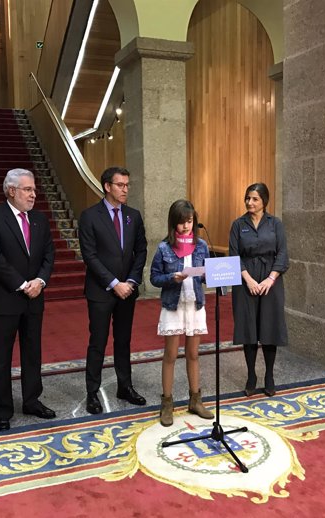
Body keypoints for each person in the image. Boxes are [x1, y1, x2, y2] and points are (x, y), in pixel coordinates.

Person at [0, 168, 56, 432]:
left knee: (32, 353)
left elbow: (48, 254)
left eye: (34, 189)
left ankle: (32, 400)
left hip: (34, 298)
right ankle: (1, 410)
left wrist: (40, 281)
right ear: (11, 190)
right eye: (27, 189)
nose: (34, 194)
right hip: (5, 299)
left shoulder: (40, 220)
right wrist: (23, 285)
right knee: (1, 357)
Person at [78, 166, 148, 414]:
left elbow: (141, 250)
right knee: (98, 342)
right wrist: (113, 283)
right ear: (107, 186)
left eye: (127, 185)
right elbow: (90, 256)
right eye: (120, 185)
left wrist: (130, 281)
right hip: (101, 291)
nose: (125, 189)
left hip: (127, 290)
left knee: (124, 340)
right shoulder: (89, 216)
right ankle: (92, 393)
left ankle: (125, 386)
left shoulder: (133, 215)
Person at [150, 200, 213, 426]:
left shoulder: (202, 246)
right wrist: (171, 278)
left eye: (189, 221)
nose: (186, 226)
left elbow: (207, 274)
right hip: (173, 305)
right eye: (181, 222)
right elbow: (154, 278)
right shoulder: (164, 248)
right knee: (171, 355)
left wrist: (212, 274)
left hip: (195, 304)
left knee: (194, 354)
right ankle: (167, 403)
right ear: (173, 223)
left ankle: (195, 400)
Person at [229, 183, 289, 397]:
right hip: (245, 281)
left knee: (269, 329)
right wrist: (249, 280)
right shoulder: (238, 224)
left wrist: (270, 279)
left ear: (264, 201)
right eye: (247, 198)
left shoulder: (275, 224)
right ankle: (251, 375)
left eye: (254, 199)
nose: (249, 202)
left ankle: (269, 375)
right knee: (249, 330)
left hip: (270, 281)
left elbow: (282, 254)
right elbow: (234, 256)